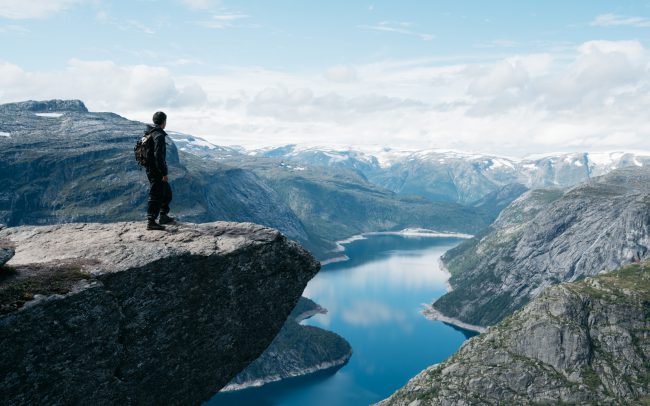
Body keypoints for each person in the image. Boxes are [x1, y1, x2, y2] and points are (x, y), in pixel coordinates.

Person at [145, 111, 174, 230]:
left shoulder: (149, 133)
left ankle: (163, 216)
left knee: (167, 193)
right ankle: (151, 221)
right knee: (156, 194)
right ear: (164, 122)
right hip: (156, 170)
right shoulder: (159, 136)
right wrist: (164, 173)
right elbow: (159, 156)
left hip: (150, 168)